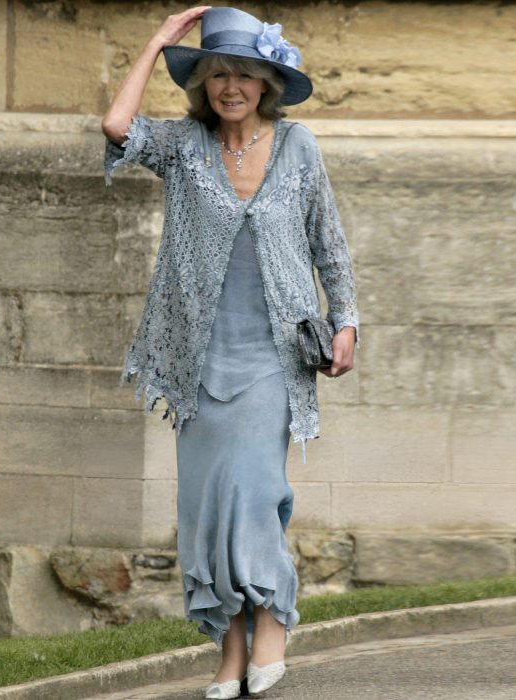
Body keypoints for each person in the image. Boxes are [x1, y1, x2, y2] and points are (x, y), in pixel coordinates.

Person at [101, 6, 359, 698]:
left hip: (274, 355)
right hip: (197, 361)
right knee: (208, 508)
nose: (230, 86)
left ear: (267, 83)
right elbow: (118, 127)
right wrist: (158, 43)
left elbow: (328, 243)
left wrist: (345, 322)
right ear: (202, 84)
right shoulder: (184, 145)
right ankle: (231, 649)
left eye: (244, 74)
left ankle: (271, 623)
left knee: (252, 495)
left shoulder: (297, 146)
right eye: (217, 74)